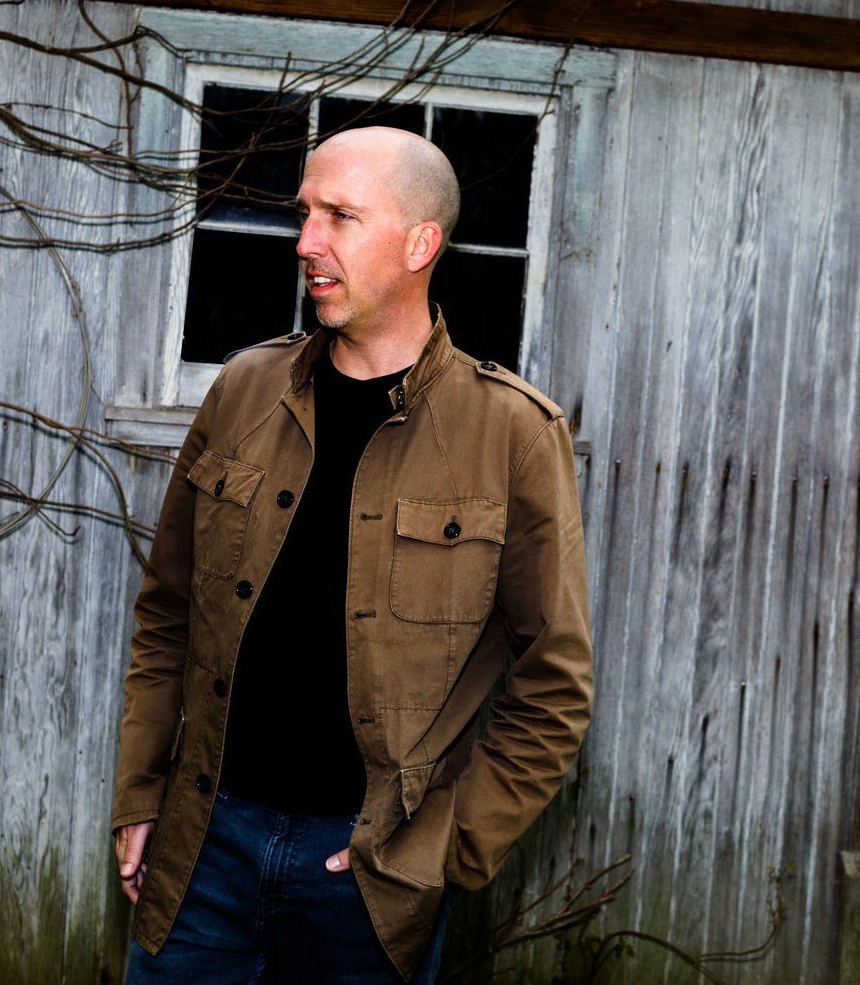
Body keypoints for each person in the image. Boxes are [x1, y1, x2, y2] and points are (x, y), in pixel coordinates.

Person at [111, 125, 593, 983]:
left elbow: (553, 688)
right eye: (304, 214)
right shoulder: (244, 390)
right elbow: (167, 616)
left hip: (369, 882)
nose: (306, 242)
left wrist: (444, 848)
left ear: (419, 243)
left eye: (340, 216)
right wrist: (141, 794)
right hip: (203, 848)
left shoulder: (513, 433)